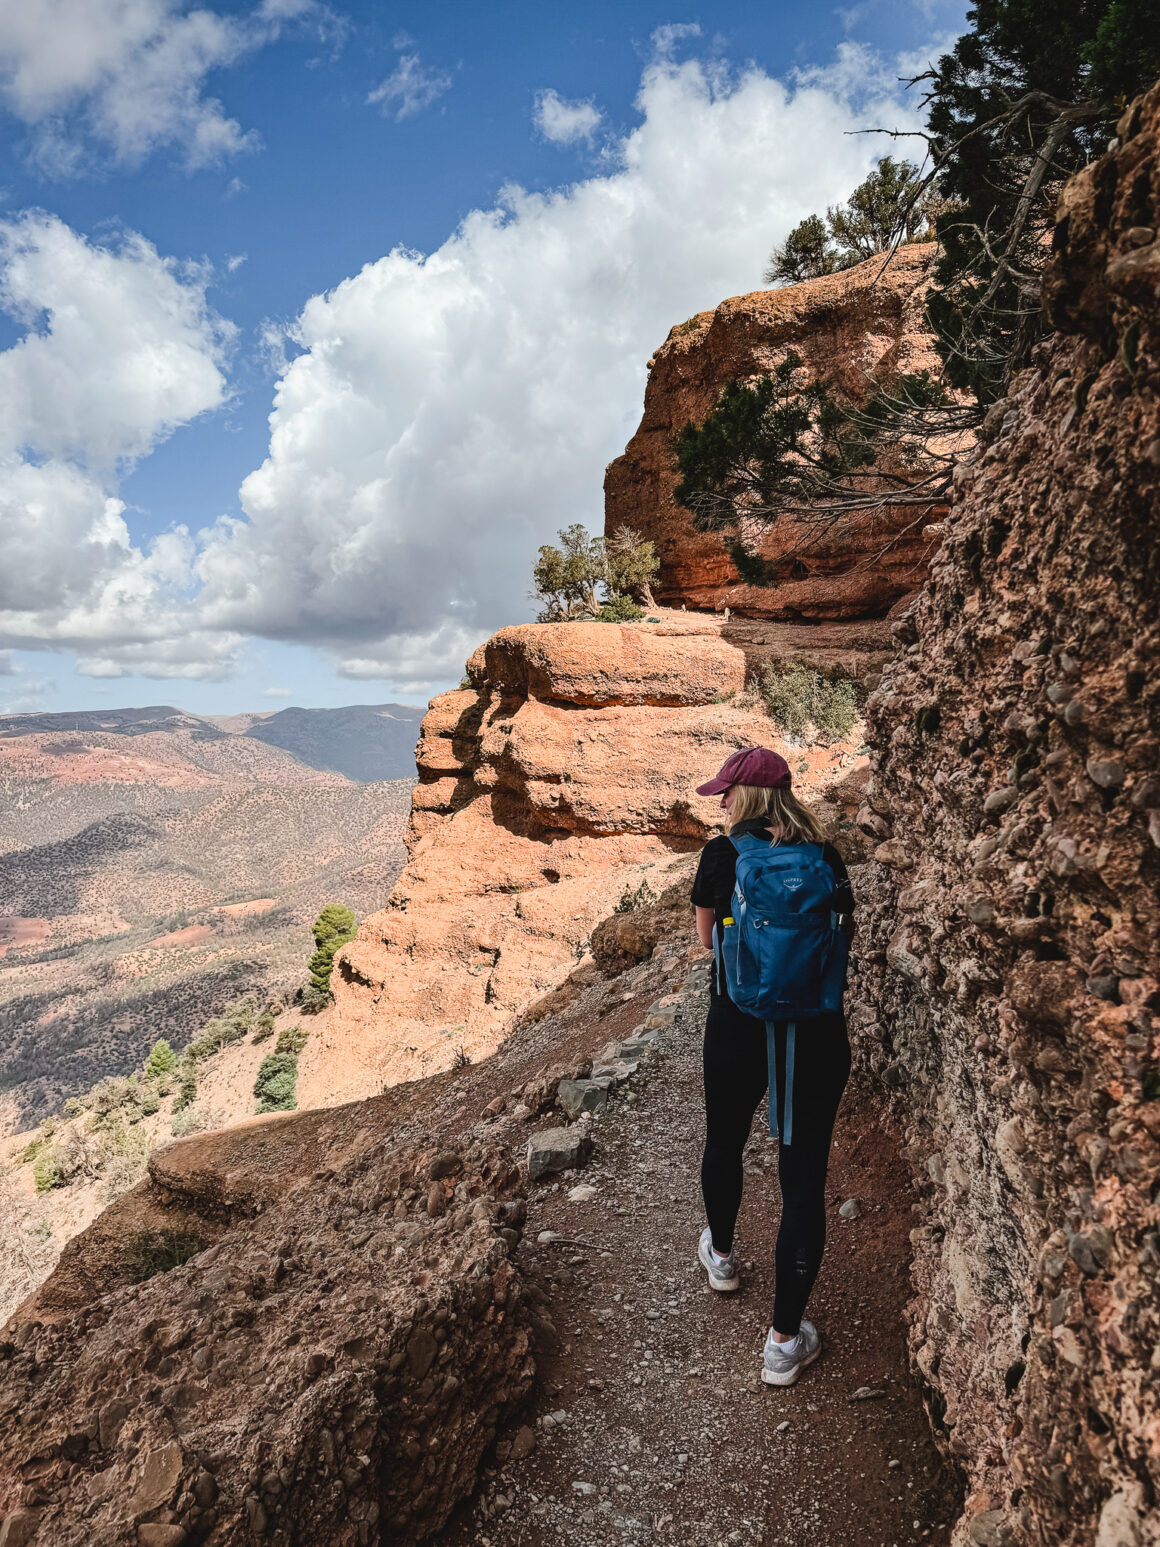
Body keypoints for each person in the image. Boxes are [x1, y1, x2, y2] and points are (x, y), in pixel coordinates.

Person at [690, 745, 854, 1387]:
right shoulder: (825, 855)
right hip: (814, 1033)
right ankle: (784, 1343)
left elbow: (709, 941)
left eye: (726, 792)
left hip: (738, 1027)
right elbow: (839, 935)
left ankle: (723, 1259)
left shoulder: (723, 856)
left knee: (725, 1141)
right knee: (803, 1176)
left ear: (746, 798)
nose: (722, 801)